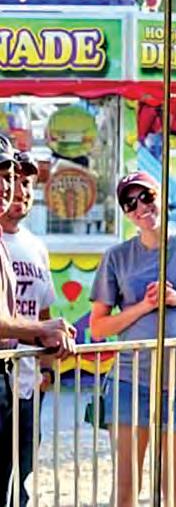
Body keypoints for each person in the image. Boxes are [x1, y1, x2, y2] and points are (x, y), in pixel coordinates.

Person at [89, 171, 176, 507]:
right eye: (129, 203)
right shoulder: (117, 256)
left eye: (146, 196)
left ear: (160, 195)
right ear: (124, 212)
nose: (140, 207)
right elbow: (98, 328)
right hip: (130, 383)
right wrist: (144, 306)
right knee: (126, 492)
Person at [0, 151, 56, 507]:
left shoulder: (36, 246)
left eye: (25, 183)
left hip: (25, 383)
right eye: (10, 179)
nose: (18, 189)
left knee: (19, 477)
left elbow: (44, 307)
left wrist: (46, 371)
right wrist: (44, 330)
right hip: (4, 374)